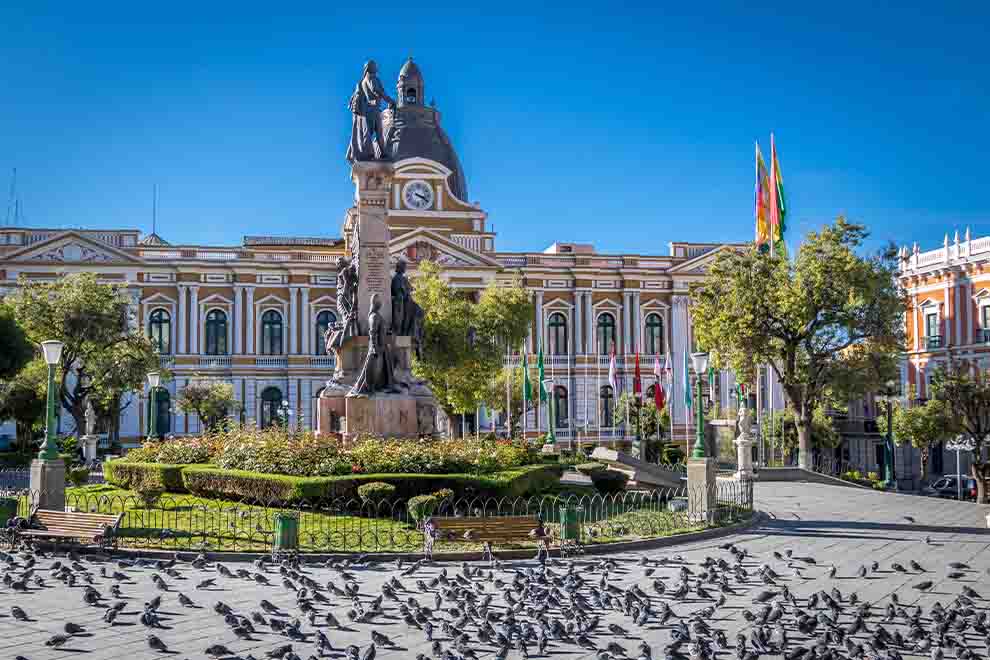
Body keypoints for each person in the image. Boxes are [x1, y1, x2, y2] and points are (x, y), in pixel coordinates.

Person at [346, 60, 395, 162]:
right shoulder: (372, 78)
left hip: (368, 110)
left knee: (368, 132)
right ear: (371, 68)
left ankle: (373, 153)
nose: (376, 69)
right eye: (375, 67)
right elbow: (376, 90)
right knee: (377, 132)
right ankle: (383, 154)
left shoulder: (362, 81)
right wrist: (390, 100)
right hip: (373, 109)